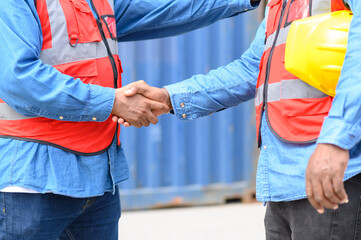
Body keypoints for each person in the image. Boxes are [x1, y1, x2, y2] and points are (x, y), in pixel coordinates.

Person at [0, 0, 261, 239]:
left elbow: (162, 9)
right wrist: (113, 102)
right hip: (32, 185)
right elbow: (19, 79)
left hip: (98, 179)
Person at [120, 0, 361, 238]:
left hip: (330, 172)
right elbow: (250, 69)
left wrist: (336, 141)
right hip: (280, 179)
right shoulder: (279, 4)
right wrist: (168, 98)